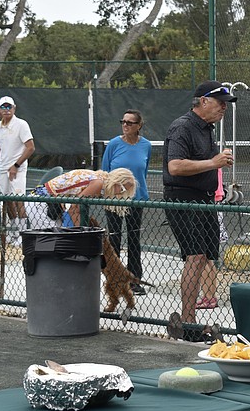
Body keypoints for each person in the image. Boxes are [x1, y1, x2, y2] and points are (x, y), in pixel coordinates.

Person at [162, 80, 235, 341]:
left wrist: (218, 176)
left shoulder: (207, 129)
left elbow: (205, 166)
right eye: (219, 103)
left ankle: (188, 320)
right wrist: (212, 162)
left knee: (204, 256)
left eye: (225, 104)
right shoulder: (182, 126)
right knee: (194, 256)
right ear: (203, 101)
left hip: (203, 199)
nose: (223, 108)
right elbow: (175, 167)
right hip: (183, 199)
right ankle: (188, 321)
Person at [101, 109, 152, 295]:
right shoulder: (114, 144)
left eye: (130, 123)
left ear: (138, 126)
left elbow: (142, 172)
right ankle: (114, 278)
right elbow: (105, 171)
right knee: (114, 238)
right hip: (114, 200)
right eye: (123, 121)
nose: (125, 125)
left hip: (135, 200)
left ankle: (134, 280)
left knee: (134, 239)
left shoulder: (146, 146)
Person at [0, 96, 35, 247]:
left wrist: (16, 166)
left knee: (18, 200)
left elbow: (30, 147)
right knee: (7, 201)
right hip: (3, 169)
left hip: (18, 169)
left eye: (9, 107)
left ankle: (23, 236)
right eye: (3, 107)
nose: (6, 110)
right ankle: (13, 233)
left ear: (14, 108)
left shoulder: (22, 125)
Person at [34, 168, 137, 226]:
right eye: (122, 189)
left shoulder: (99, 179)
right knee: (50, 242)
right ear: (117, 181)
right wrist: (81, 232)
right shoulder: (98, 183)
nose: (120, 193)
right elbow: (75, 207)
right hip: (42, 202)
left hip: (49, 203)